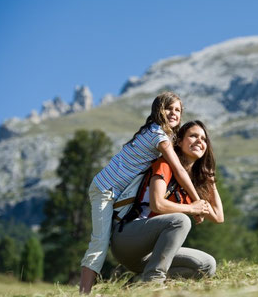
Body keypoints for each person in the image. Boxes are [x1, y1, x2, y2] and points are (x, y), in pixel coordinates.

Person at [79, 92, 204, 294]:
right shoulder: (158, 135)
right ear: (158, 111)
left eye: (178, 110)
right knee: (99, 244)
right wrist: (197, 203)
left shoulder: (162, 134)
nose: (173, 113)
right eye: (169, 108)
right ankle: (84, 293)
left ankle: (134, 283)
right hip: (104, 190)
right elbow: (179, 170)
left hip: (119, 193)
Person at [110, 120, 224, 282]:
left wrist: (211, 182)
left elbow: (218, 217)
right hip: (128, 238)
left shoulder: (189, 185)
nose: (200, 141)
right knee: (181, 220)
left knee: (206, 265)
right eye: (193, 136)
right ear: (178, 141)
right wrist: (191, 208)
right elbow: (157, 204)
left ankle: (138, 282)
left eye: (204, 139)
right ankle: (154, 280)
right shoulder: (165, 164)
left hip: (152, 252)